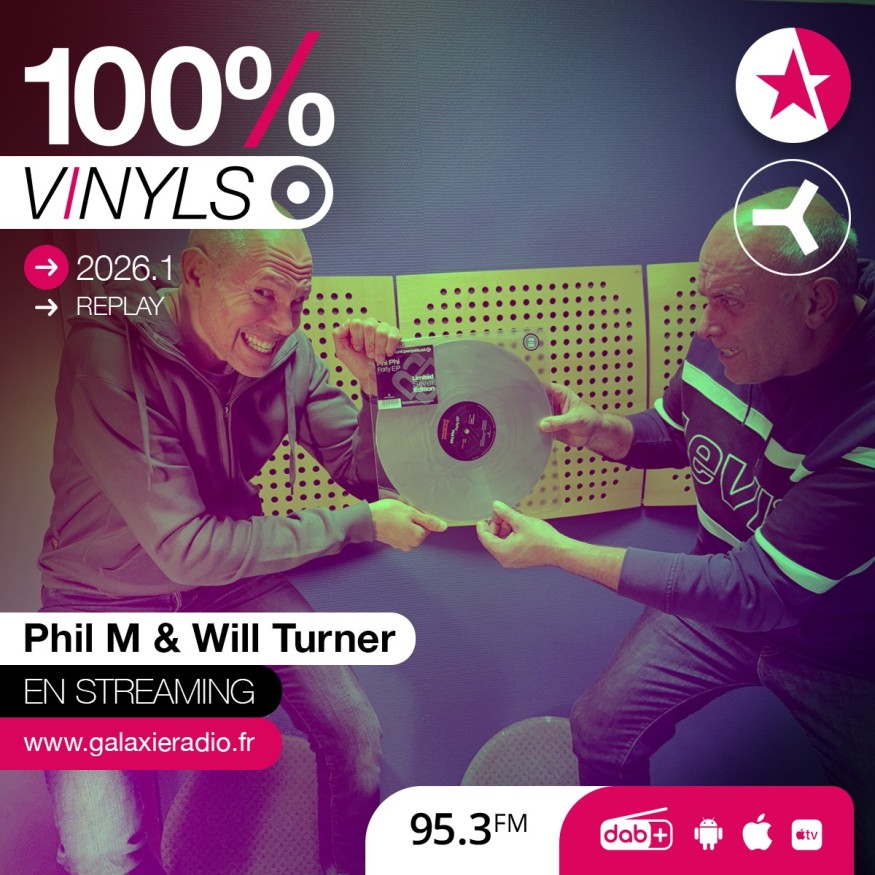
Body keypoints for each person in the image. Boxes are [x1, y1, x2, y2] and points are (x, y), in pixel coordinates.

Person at [477, 188, 875, 870]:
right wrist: (604, 429)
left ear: (814, 303)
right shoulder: (730, 339)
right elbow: (680, 426)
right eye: (703, 296)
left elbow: (758, 589)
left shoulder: (864, 426)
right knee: (599, 729)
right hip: (719, 603)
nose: (705, 323)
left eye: (728, 301)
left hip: (839, 644)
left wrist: (560, 551)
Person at [39, 225, 446, 875]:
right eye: (263, 294)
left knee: (353, 729)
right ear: (195, 273)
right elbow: (186, 548)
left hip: (227, 581)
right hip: (100, 599)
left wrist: (381, 389)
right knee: (102, 851)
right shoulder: (106, 352)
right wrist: (358, 525)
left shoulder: (291, 355)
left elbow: (369, 477)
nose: (284, 323)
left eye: (298, 301)